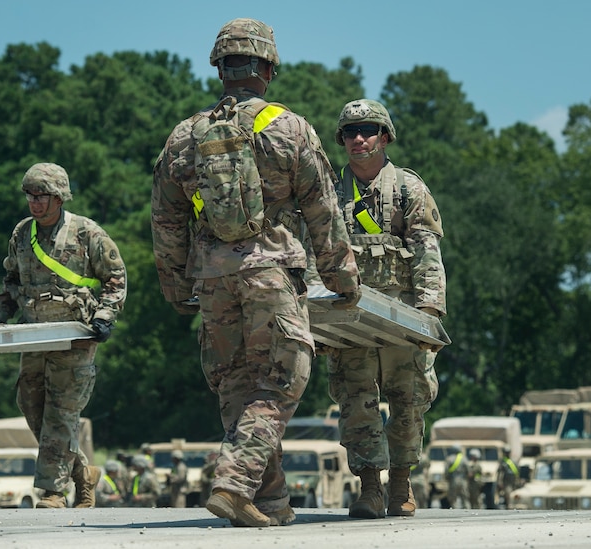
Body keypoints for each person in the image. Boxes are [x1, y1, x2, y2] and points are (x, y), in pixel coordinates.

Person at [152, 18, 361, 528]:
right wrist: (342, 276)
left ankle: (268, 502)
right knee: (285, 378)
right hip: (271, 271)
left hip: (212, 278)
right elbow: (323, 211)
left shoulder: (185, 136)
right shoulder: (289, 128)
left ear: (220, 69)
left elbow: (165, 218)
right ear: (267, 68)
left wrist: (178, 285)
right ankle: (235, 481)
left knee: (235, 386)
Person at [328, 99, 446, 519]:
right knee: (356, 400)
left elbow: (426, 251)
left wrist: (429, 312)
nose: (359, 139)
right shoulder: (329, 190)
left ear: (385, 135)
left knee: (408, 399)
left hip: (402, 316)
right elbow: (313, 251)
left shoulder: (407, 188)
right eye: (350, 132)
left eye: (368, 130)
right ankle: (369, 488)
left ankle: (400, 481)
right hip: (348, 317)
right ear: (341, 140)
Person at [0, 162, 127, 509]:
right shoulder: (23, 233)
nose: (35, 203)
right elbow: (11, 278)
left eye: (42, 196)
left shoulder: (87, 233)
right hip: (34, 336)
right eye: (30, 196)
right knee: (30, 404)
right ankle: (82, 473)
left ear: (59, 197)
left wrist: (106, 314)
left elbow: (115, 277)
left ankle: (53, 492)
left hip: (74, 338)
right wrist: (1, 315)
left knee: (61, 413)